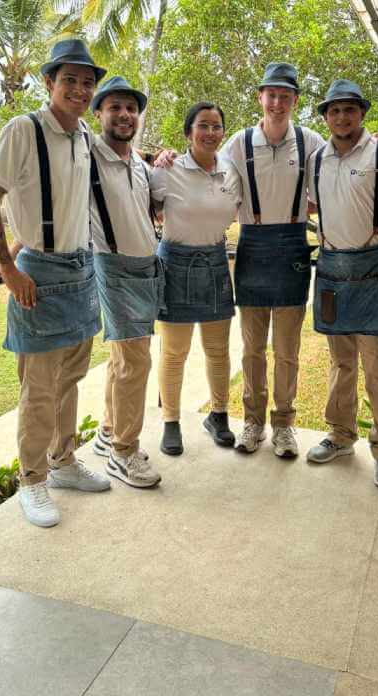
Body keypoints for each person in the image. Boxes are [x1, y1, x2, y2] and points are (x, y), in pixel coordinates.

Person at [0, 40, 111, 528]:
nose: (79, 89)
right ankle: (31, 480)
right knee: (38, 389)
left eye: (87, 82)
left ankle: (63, 462)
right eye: (69, 79)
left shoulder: (84, 137)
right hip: (41, 279)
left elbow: (54, 204)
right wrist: (11, 269)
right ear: (49, 82)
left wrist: (15, 249)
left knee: (70, 379)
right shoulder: (23, 129)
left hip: (81, 272)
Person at [306, 79, 378, 489]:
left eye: (349, 109)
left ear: (362, 114)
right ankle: (340, 435)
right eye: (334, 110)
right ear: (325, 117)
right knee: (340, 362)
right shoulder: (316, 159)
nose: (341, 117)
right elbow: (311, 202)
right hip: (331, 271)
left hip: (375, 273)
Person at [220, 63, 325, 459]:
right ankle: (253, 423)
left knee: (287, 350)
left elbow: (336, 175)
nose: (277, 103)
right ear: (260, 97)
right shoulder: (239, 143)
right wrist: (165, 160)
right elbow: (212, 180)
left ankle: (283, 425)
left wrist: (377, 141)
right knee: (251, 350)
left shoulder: (311, 141)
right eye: (271, 95)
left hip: (293, 247)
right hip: (253, 246)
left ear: (295, 100)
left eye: (285, 96)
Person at [150, 102, 242, 457]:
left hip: (215, 261)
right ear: (189, 132)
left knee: (218, 350)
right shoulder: (168, 169)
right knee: (175, 352)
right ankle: (171, 422)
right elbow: (146, 202)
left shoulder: (231, 170)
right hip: (175, 263)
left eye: (216, 126)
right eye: (203, 125)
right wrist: (156, 157)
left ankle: (219, 416)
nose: (210, 133)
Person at [88, 76, 164, 488]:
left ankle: (108, 430)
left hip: (147, 267)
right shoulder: (87, 155)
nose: (124, 114)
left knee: (124, 359)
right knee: (136, 362)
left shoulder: (139, 162)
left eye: (131, 108)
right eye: (115, 106)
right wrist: (11, 256)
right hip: (113, 266)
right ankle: (124, 451)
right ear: (98, 112)